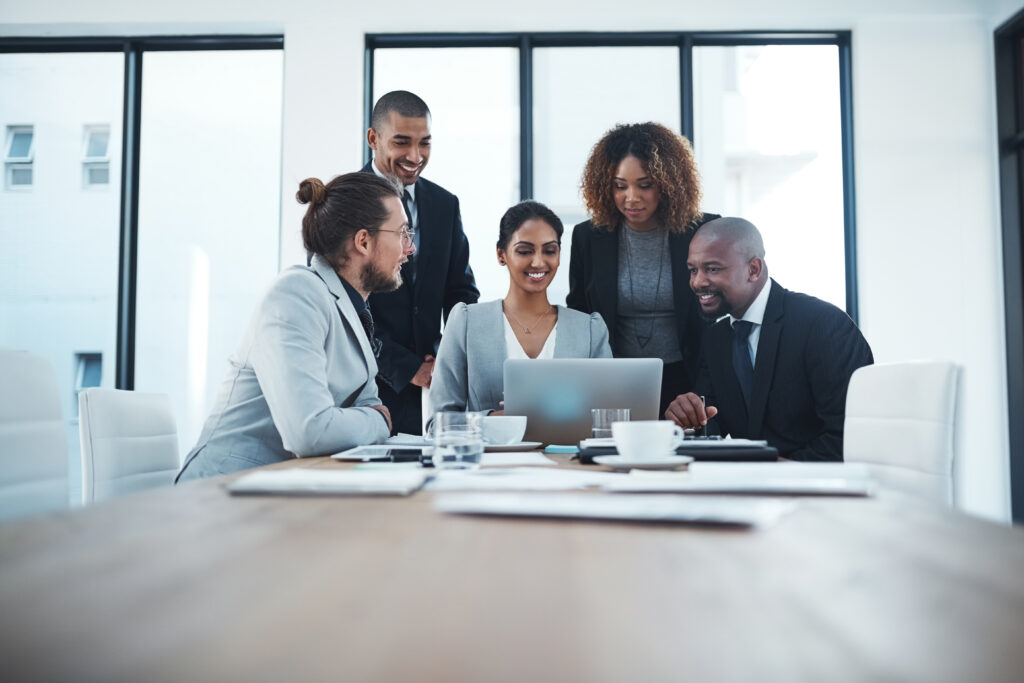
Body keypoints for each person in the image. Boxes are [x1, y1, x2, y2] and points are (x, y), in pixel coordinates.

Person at [176, 173, 414, 481]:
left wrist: (368, 419)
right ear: (363, 241)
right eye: (402, 233)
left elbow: (367, 411)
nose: (409, 249)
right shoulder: (296, 293)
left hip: (284, 487)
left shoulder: (354, 311)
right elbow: (310, 431)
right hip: (222, 491)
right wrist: (378, 421)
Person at [665, 217, 873, 461]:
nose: (697, 282)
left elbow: (851, 435)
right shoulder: (716, 338)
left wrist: (778, 469)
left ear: (753, 269)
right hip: (754, 489)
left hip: (819, 487)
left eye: (712, 269)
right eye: (693, 270)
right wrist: (687, 416)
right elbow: (712, 424)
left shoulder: (822, 324)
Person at [567, 122, 720, 415]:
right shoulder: (588, 237)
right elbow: (580, 317)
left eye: (645, 185)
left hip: (690, 381)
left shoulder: (703, 230)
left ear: (668, 182)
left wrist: (705, 390)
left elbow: (719, 320)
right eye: (620, 186)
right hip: (614, 382)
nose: (631, 197)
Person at [362, 90, 479, 435]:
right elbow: (340, 310)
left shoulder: (445, 204)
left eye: (425, 143)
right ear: (374, 139)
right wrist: (407, 366)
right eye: (402, 142)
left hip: (432, 394)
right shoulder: (341, 204)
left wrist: (450, 354)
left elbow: (461, 291)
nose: (416, 156)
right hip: (364, 392)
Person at [429, 201, 612, 418]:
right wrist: (493, 420)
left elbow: (607, 416)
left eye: (550, 250)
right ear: (501, 255)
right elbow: (438, 422)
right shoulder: (467, 323)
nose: (538, 262)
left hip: (566, 453)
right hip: (493, 453)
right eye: (525, 251)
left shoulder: (589, 329)